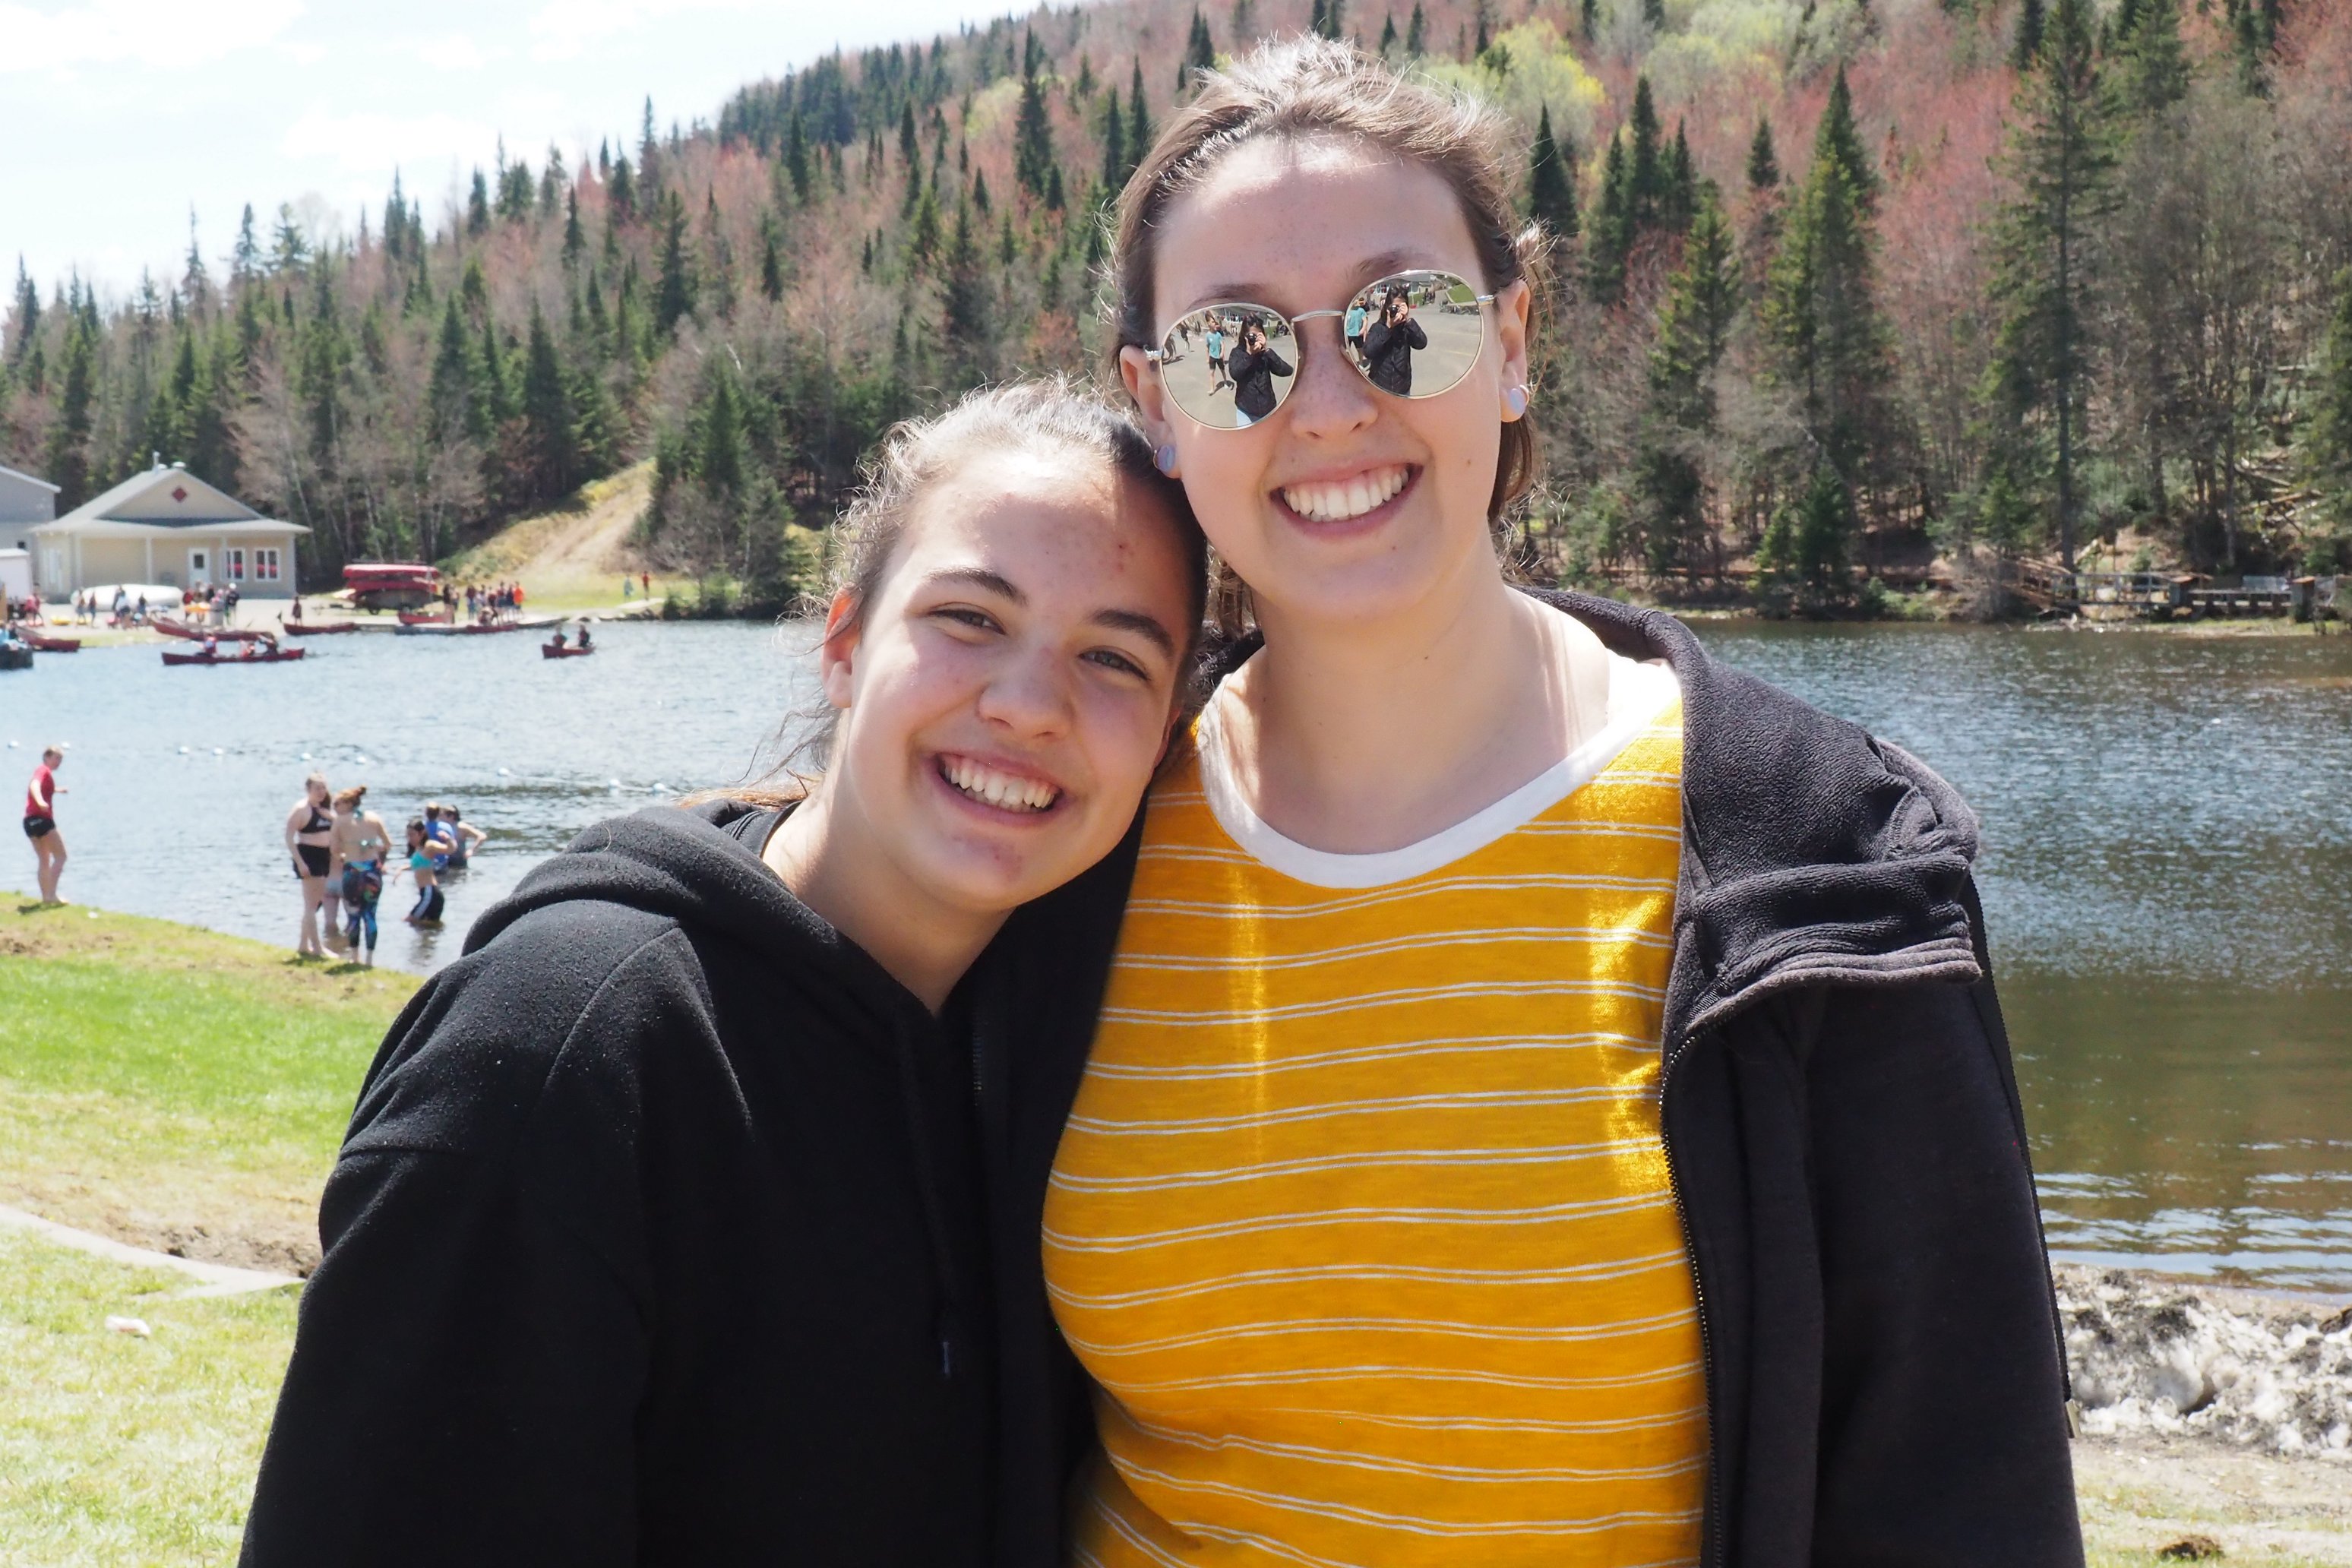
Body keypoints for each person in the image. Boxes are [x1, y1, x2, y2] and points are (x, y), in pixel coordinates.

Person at [1016, 36, 2084, 1568]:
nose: (1328, 406)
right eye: (1235, 349)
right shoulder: (1077, 837)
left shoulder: (1820, 862)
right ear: (1157, 405)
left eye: (1402, 321)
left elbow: (1962, 1496)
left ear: (1513, 337)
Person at [239, 381, 1212, 1566]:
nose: (1029, 706)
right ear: (845, 646)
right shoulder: (560, 1057)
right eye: (970, 618)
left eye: (1114, 656)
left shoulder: (1075, 1054)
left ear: (1167, 737)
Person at [330, 786, 390, 968]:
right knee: (370, 915)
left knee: (353, 914)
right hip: (372, 872)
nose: (335, 808)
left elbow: (334, 850)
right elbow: (388, 844)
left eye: (337, 804)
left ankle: (355, 956)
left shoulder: (340, 822)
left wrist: (345, 855)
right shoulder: (374, 818)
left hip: (352, 872)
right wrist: (376, 855)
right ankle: (370, 959)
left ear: (348, 803)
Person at [285, 773, 337, 959]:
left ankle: (303, 945)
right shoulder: (301, 809)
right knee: (310, 905)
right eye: (317, 788)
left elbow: (338, 828)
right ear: (308, 790)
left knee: (315, 904)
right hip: (308, 856)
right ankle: (317, 948)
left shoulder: (325, 810)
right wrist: (300, 863)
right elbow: (289, 838)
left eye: (324, 787)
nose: (321, 792)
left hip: (324, 856)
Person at [1360, 283, 1428, 395]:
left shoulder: (1407, 328)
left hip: (1402, 388)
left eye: (1400, 308)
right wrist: (1388, 328)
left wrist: (1408, 320)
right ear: (1387, 308)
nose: (1397, 312)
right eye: (1394, 308)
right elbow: (1368, 352)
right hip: (1380, 387)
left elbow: (1422, 344)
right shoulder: (1378, 327)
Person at [1223, 318, 1292, 427]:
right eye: (1251, 336)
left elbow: (1287, 371)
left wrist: (1267, 350)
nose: (1254, 339)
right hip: (1246, 410)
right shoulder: (1237, 352)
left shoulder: (1265, 354)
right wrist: (1250, 355)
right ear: (1244, 336)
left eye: (1258, 336)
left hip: (1268, 409)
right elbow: (1235, 374)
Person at [23, 745, 66, 906]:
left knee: (44, 860)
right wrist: (40, 801)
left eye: (61, 759)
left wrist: (57, 790)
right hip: (42, 819)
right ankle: (52, 895)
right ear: (46, 757)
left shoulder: (45, 774)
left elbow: (44, 788)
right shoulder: (43, 770)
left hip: (29, 821)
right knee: (61, 856)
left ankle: (46, 898)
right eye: (56, 758)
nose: (59, 762)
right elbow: (34, 785)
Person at [394, 819, 445, 926]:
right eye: (408, 836)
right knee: (428, 928)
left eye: (412, 835)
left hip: (430, 894)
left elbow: (450, 849)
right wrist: (402, 869)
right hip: (429, 895)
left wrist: (448, 839)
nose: (410, 839)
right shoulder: (419, 849)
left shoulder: (429, 846)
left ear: (421, 834)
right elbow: (418, 866)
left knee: (409, 921)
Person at [435, 805, 485, 870]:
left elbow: (482, 836)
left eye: (441, 815)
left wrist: (471, 850)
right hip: (445, 863)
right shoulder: (440, 826)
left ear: (451, 817)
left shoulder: (461, 827)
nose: (438, 818)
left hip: (459, 863)